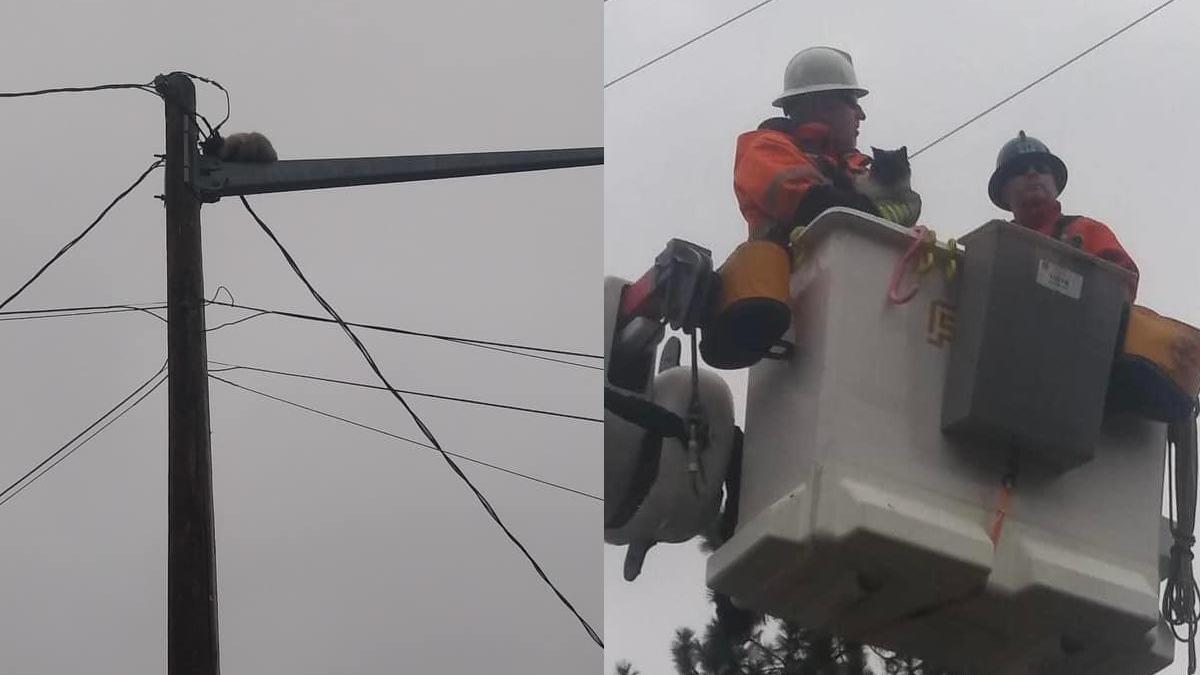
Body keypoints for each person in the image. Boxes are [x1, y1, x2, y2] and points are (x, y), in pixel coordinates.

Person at [732, 46, 880, 246]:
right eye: (853, 102)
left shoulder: (852, 167)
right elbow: (812, 204)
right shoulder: (766, 150)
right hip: (797, 273)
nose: (861, 115)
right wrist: (873, 212)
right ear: (823, 105)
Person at [988, 131, 1139, 298]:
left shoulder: (1087, 230)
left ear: (1055, 186)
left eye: (1042, 169)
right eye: (1020, 170)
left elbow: (1123, 289)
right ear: (1003, 192)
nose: (1032, 173)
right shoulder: (994, 246)